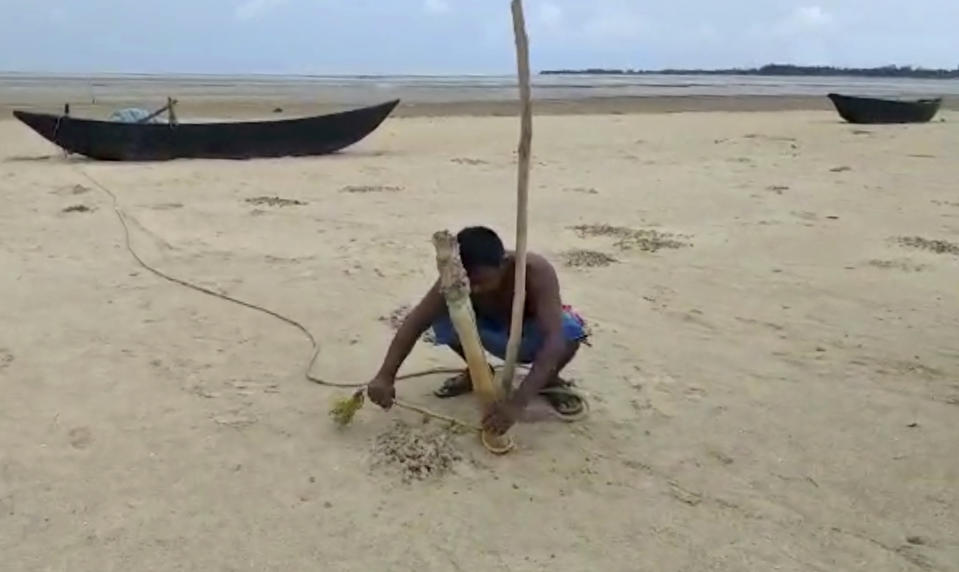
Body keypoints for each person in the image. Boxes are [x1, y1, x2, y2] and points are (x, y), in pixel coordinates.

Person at [366, 226, 589, 435]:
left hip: (528, 337)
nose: (476, 289)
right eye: (471, 283)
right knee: (443, 315)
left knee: (569, 332)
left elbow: (554, 340)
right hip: (485, 331)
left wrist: (516, 405)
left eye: (483, 282)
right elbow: (416, 321)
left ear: (503, 263)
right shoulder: (455, 275)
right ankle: (478, 371)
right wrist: (385, 376)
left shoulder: (534, 270)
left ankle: (549, 379)